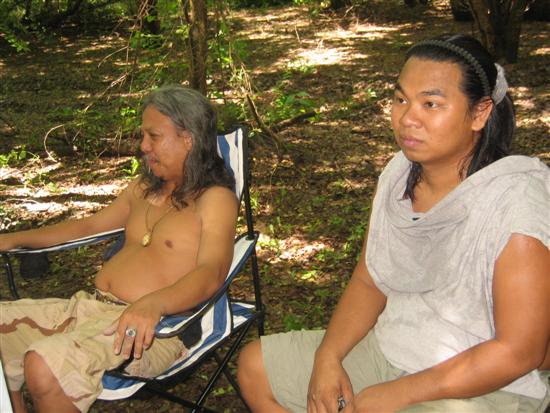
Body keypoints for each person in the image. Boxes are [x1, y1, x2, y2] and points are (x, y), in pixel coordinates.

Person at [237, 33, 550, 413]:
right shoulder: (399, 175)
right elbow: (370, 280)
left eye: (431, 104)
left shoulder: (516, 201)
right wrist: (328, 357)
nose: (408, 118)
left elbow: (518, 352)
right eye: (401, 99)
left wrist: (397, 393)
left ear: (480, 113)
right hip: (392, 348)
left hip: (487, 383)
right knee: (256, 369)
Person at [0, 85, 238, 413]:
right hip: (89, 309)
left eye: (153, 136)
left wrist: (154, 303)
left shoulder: (215, 200)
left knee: (44, 366)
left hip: (154, 330)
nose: (143, 146)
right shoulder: (143, 189)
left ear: (188, 139)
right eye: (143, 136)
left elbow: (211, 272)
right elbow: (87, 227)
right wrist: (13, 239)